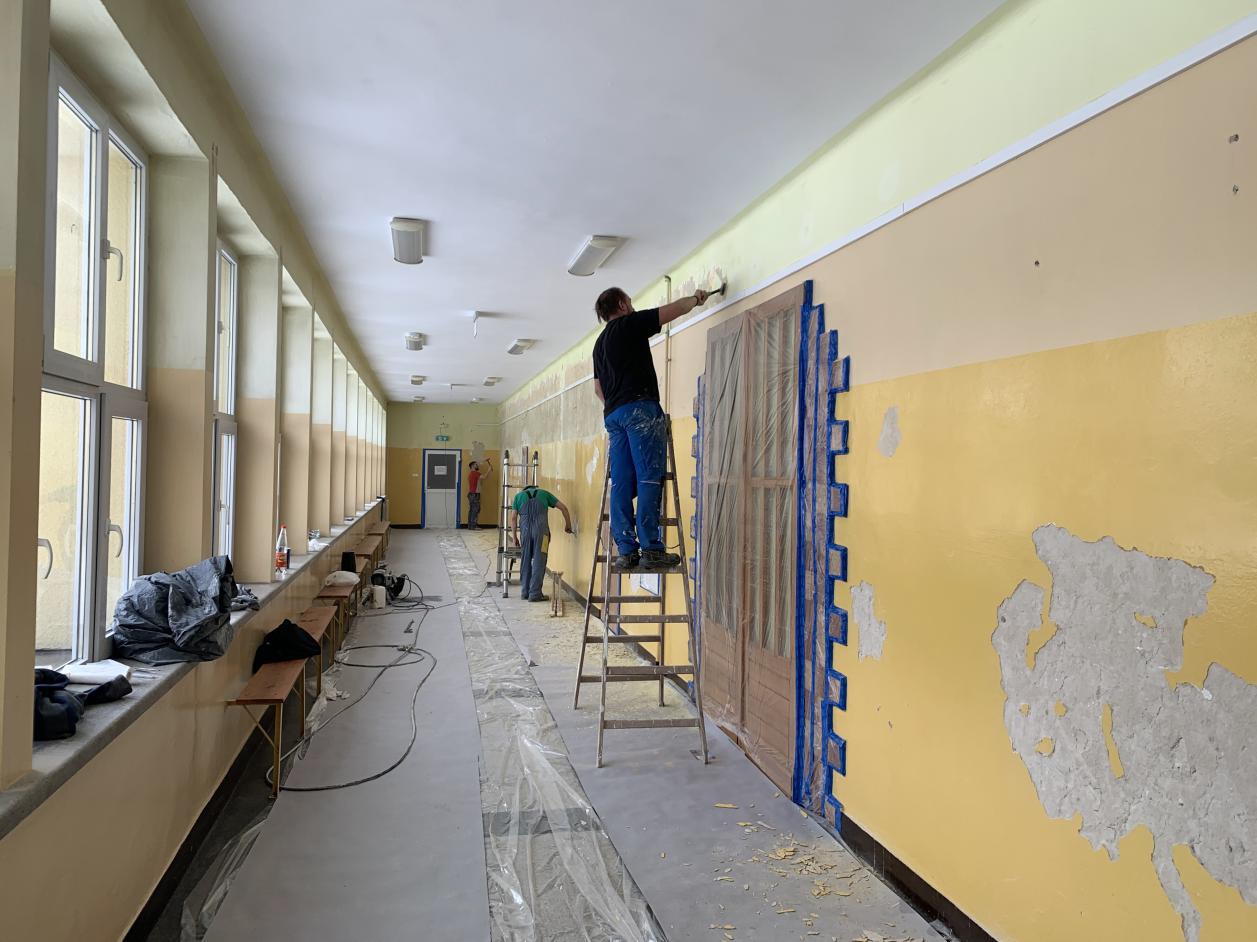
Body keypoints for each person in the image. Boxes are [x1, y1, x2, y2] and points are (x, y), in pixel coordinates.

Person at [592, 285, 715, 570]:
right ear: (621, 305)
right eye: (630, 301)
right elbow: (674, 310)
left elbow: (598, 389)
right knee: (648, 477)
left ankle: (626, 551)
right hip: (640, 410)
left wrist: (618, 406)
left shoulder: (599, 345)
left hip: (614, 416)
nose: (632, 305)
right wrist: (696, 299)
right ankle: (651, 549)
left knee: (622, 482)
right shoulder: (629, 324)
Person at [510, 484, 573, 602]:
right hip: (542, 534)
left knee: (525, 560)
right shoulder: (544, 494)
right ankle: (535, 593)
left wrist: (514, 537)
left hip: (525, 534)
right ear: (535, 488)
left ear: (525, 489)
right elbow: (564, 508)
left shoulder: (518, 496)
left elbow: (513, 518)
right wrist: (568, 525)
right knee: (540, 561)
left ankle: (525, 592)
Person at [466, 457, 492, 529]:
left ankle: (470, 526)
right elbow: (484, 477)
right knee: (475, 510)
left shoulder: (471, 474)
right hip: (475, 494)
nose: (477, 465)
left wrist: (485, 460)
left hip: (471, 494)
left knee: (472, 510)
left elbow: (479, 463)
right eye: (476, 465)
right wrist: (489, 470)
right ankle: (474, 526)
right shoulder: (476, 473)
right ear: (472, 466)